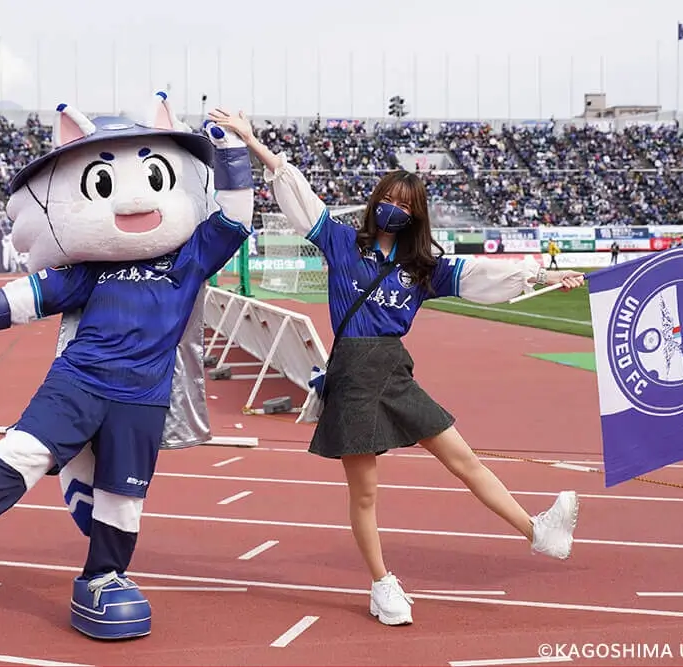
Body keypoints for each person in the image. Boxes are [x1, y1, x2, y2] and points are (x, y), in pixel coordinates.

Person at [208, 108, 586, 628]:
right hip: (353, 373)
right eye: (388, 199)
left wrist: (547, 275)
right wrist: (254, 142)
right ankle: (381, 584)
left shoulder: (422, 267)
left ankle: (538, 532)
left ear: (417, 214)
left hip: (394, 370)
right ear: (375, 202)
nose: (394, 209)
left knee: (464, 459)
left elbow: (483, 276)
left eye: (405, 205)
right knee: (365, 492)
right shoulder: (341, 242)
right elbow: (298, 194)